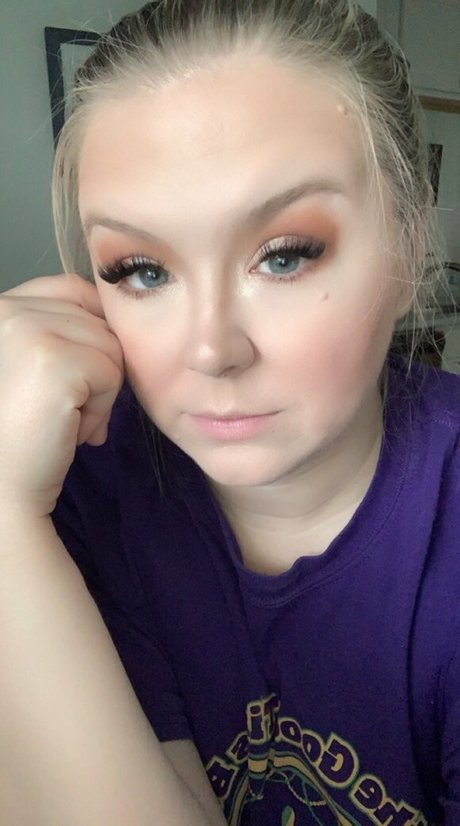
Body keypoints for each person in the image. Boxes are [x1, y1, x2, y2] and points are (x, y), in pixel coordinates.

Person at [0, 0, 458, 823]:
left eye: (284, 256)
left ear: (410, 241)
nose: (211, 349)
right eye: (142, 270)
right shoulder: (74, 488)